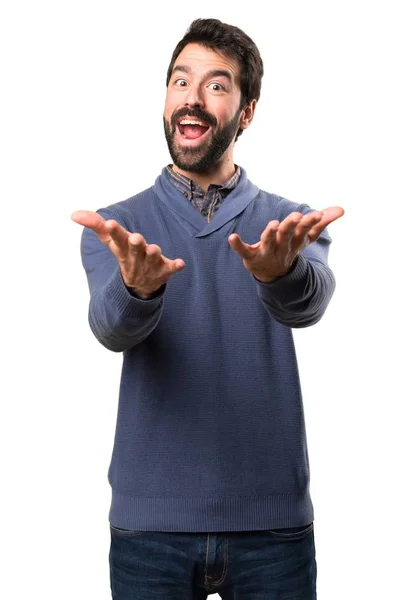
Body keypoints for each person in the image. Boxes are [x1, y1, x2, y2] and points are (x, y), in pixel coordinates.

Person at [72, 18, 344, 600]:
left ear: (246, 113)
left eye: (217, 85)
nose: (191, 99)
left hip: (273, 527)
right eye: (180, 81)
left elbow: (310, 302)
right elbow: (109, 328)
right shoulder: (118, 228)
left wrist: (282, 272)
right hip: (151, 527)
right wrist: (139, 289)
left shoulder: (289, 224)